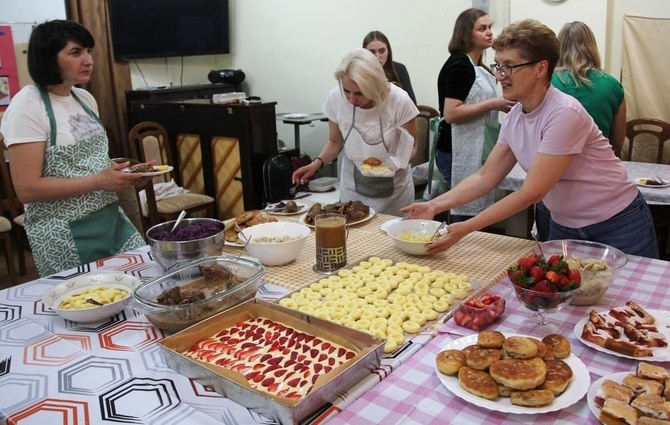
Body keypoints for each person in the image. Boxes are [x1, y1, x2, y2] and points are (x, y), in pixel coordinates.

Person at [401, 19, 658, 259]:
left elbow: (530, 192)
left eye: (509, 66)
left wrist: (465, 228)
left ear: (540, 68)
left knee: (633, 304)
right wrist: (433, 205)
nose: (500, 75)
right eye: (498, 65)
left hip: (618, 224)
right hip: (566, 226)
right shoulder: (515, 116)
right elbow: (485, 177)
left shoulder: (563, 113)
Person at [0, 20, 148, 276]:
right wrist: (99, 181)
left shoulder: (84, 98)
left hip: (111, 220)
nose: (89, 60)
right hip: (64, 233)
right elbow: (27, 189)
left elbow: (88, 163)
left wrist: (123, 173)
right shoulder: (27, 106)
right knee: (91, 305)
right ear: (48, 57)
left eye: (89, 51)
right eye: (76, 52)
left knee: (143, 285)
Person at [292, 48, 419, 216]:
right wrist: (316, 164)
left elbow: (413, 146)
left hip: (394, 195)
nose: (351, 100)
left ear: (375, 86)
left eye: (359, 93)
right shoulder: (335, 98)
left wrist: (394, 165)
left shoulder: (399, 100)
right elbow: (335, 142)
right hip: (353, 190)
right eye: (346, 91)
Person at [534, 21, 628, 241]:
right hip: (598, 191)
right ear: (592, 47)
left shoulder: (546, 83)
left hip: (550, 183)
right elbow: (617, 140)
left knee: (555, 263)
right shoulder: (612, 85)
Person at [436, 8, 516, 222]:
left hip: (475, 147)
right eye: (482, 28)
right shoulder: (460, 65)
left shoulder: (477, 66)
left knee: (474, 210)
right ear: (465, 34)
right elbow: (451, 113)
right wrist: (494, 103)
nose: (489, 32)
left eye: (489, 27)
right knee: (460, 209)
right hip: (456, 150)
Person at [363, 31, 417, 104]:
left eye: (382, 51)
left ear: (388, 51)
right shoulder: (359, 72)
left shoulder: (399, 69)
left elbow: (412, 104)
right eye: (372, 52)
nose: (377, 57)